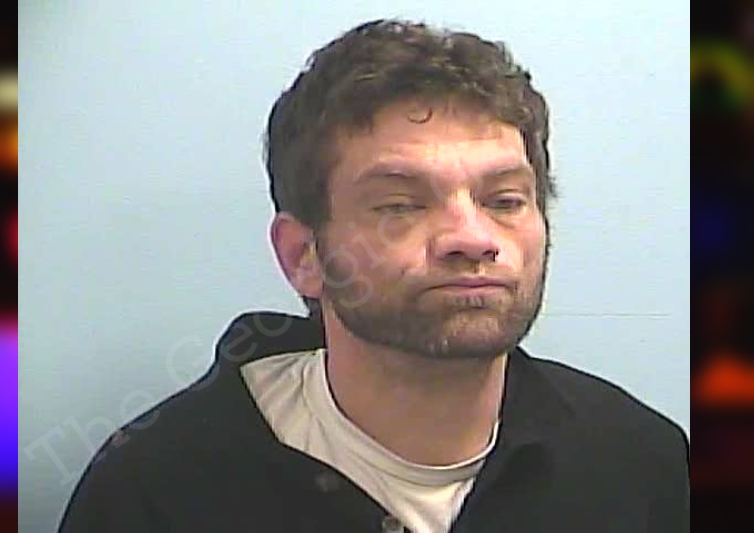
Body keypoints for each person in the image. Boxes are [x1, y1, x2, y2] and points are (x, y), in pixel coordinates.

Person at [58, 19, 689, 533]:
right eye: (400, 205)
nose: (472, 238)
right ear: (302, 256)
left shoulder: (641, 462)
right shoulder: (155, 491)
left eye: (504, 200)